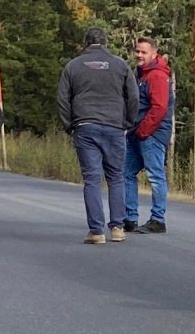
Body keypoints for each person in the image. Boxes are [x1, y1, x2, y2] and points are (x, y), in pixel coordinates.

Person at [57, 24, 139, 245]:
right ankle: (118, 228)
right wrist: (127, 123)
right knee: (116, 176)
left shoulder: (72, 66)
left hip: (85, 126)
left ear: (86, 43)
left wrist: (69, 125)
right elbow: (133, 97)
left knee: (92, 178)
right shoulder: (120, 65)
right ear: (105, 43)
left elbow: (63, 99)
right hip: (114, 126)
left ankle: (96, 231)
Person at [122, 35, 175, 234]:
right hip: (137, 133)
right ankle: (129, 218)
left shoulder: (157, 76)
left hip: (152, 134)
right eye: (137, 51)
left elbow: (159, 108)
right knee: (126, 172)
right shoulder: (141, 74)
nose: (139, 55)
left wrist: (144, 131)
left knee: (155, 176)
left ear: (154, 53)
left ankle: (158, 219)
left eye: (143, 52)